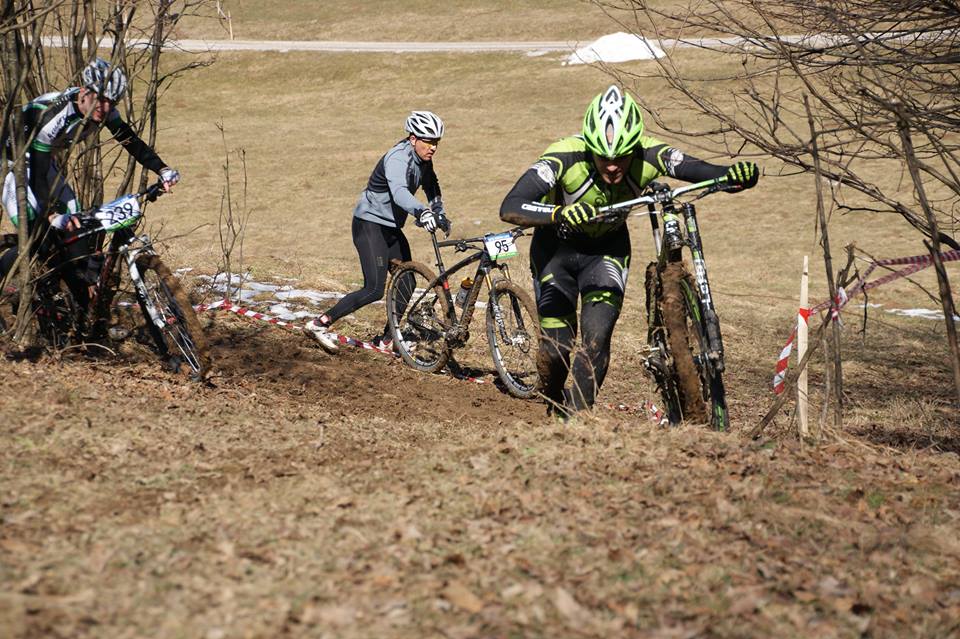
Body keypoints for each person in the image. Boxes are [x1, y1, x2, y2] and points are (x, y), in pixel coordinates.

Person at [499, 85, 759, 417]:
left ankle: (577, 420)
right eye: (604, 157)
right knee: (557, 350)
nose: (612, 166)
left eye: (621, 157)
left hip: (606, 253)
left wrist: (733, 175)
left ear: (634, 147)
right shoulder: (565, 155)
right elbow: (509, 205)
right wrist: (558, 214)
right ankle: (550, 403)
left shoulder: (650, 153)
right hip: (555, 251)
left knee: (597, 339)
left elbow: (698, 169)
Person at [1, 58, 180, 311]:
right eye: (101, 98)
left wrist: (162, 169)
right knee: (37, 233)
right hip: (13, 166)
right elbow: (37, 176)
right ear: (85, 90)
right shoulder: (54, 115)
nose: (105, 107)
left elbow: (131, 141)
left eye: (112, 102)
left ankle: (75, 296)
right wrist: (51, 215)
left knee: (76, 218)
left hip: (42, 161)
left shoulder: (101, 109)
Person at [303, 110, 451, 354]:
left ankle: (387, 339)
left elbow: (431, 184)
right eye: (428, 141)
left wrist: (438, 210)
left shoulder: (423, 159)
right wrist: (421, 212)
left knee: (407, 281)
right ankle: (319, 324)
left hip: (390, 227)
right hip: (369, 224)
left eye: (436, 142)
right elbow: (399, 192)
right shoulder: (397, 158)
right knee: (374, 288)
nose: (433, 147)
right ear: (413, 139)